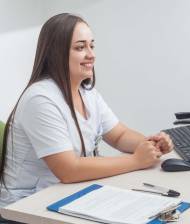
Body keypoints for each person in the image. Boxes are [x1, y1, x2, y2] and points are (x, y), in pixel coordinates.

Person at [0, 13, 173, 211]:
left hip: (66, 196)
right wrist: (136, 160)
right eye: (80, 47)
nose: (91, 54)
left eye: (92, 45)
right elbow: (69, 170)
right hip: (26, 209)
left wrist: (149, 145)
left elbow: (119, 135)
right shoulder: (40, 100)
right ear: (56, 53)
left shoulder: (87, 92)